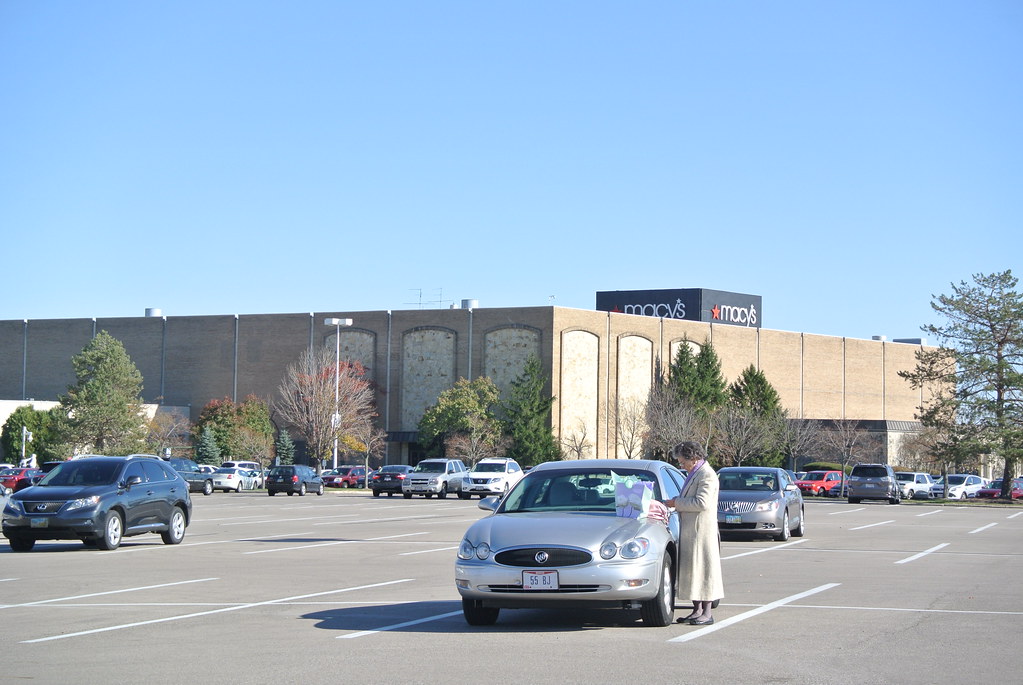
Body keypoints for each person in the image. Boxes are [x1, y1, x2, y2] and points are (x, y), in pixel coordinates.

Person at [663, 441, 724, 625]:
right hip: (691, 532)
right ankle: (697, 610)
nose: (681, 465)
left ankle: (707, 613)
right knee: (693, 571)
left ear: (694, 458)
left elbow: (701, 503)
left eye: (683, 461)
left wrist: (676, 503)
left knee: (704, 570)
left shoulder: (707, 475)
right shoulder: (695, 473)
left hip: (702, 532)